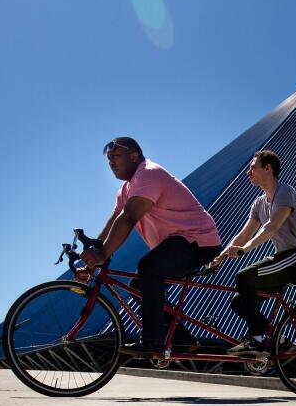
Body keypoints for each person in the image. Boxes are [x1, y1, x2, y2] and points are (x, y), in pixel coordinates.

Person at [81, 137, 222, 355]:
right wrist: (94, 256)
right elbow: (114, 220)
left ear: (134, 155)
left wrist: (103, 254)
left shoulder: (148, 173)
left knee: (148, 267)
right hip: (177, 243)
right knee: (139, 286)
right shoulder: (126, 189)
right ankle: (183, 340)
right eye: (109, 159)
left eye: (116, 156)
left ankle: (152, 342)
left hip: (198, 241)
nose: (111, 162)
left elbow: (128, 218)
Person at [211, 150, 296, 358]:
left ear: (268, 169)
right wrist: (220, 257)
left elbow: (272, 227)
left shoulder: (285, 192)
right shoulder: (259, 203)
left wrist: (245, 250)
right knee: (238, 302)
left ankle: (258, 338)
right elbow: (244, 233)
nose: (248, 172)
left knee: (244, 276)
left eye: (252, 167)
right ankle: (278, 340)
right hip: (281, 259)